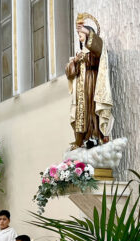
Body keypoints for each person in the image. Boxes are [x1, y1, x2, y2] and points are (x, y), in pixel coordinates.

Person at [65, 13, 114, 150]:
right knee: (80, 112)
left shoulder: (94, 52)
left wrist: (87, 30)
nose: (79, 36)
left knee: (92, 110)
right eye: (79, 35)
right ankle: (81, 139)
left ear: (88, 34)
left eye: (81, 34)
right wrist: (74, 61)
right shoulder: (78, 54)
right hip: (81, 86)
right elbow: (69, 72)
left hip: (92, 83)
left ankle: (96, 136)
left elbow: (98, 46)